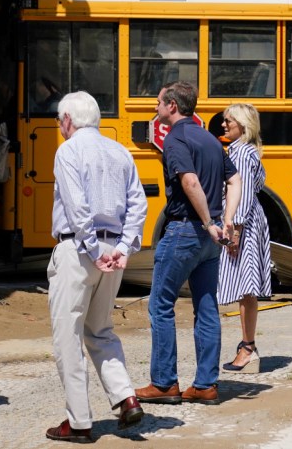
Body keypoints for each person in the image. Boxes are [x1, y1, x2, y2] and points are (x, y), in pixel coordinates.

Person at [45, 91, 149, 443]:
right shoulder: (119, 150)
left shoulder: (68, 150)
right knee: (101, 329)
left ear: (69, 121)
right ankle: (126, 397)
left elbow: (76, 206)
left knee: (68, 337)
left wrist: (91, 248)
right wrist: (121, 248)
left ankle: (79, 422)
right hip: (112, 249)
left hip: (78, 250)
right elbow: (138, 203)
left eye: (60, 121)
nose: (60, 127)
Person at [135, 81, 242, 406]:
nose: (155, 108)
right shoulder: (210, 140)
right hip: (210, 242)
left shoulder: (176, 139)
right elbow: (234, 180)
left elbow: (189, 180)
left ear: (172, 106)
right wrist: (225, 220)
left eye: (158, 103)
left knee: (160, 305)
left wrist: (209, 222)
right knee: (207, 307)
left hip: (185, 231)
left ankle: (165, 383)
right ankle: (206, 385)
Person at [217, 103, 272, 374]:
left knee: (245, 288)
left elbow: (246, 194)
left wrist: (234, 231)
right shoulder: (246, 152)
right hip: (248, 222)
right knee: (245, 287)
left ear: (243, 125)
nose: (223, 124)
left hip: (244, 224)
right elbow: (260, 183)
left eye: (229, 121)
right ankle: (248, 346)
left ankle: (247, 348)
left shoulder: (240, 154)